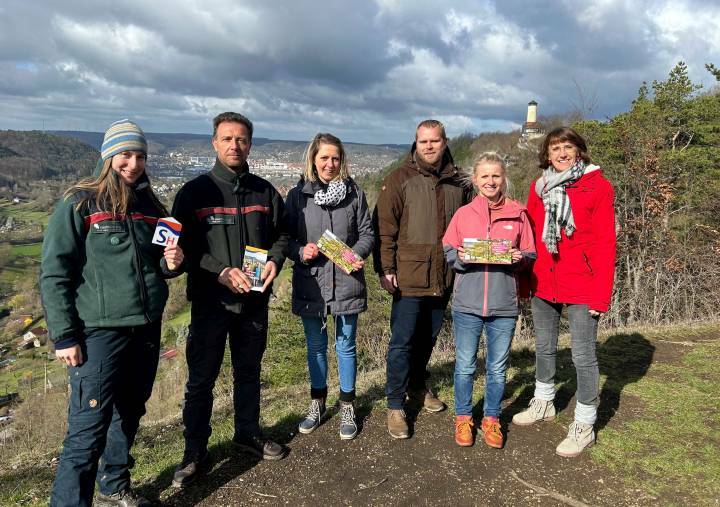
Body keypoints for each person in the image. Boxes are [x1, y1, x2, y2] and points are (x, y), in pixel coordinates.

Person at [41, 119, 184, 507]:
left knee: (129, 414)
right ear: (108, 156)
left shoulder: (151, 205)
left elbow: (161, 264)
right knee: (87, 431)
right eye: (125, 154)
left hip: (146, 327)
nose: (133, 163)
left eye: (140, 156)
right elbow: (55, 272)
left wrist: (173, 261)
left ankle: (114, 486)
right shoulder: (80, 201)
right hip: (99, 333)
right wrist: (65, 335)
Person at [170, 112, 289, 487]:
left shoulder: (265, 192)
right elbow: (182, 248)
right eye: (227, 139)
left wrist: (275, 259)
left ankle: (248, 432)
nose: (234, 145)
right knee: (201, 379)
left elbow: (283, 234)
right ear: (214, 143)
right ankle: (194, 451)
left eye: (241, 139)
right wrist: (219, 271)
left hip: (253, 303)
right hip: (210, 303)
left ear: (250, 144)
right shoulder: (193, 193)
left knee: (249, 372)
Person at [512, 126, 616, 457]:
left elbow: (605, 244)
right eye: (555, 148)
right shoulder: (539, 187)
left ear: (579, 151)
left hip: (583, 283)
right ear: (547, 154)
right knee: (544, 346)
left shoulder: (597, 186)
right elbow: (528, 235)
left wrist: (601, 294)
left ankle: (585, 423)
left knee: (583, 354)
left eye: (567, 147)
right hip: (544, 279)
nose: (561, 153)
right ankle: (544, 402)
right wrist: (526, 280)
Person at [373, 119, 471, 439]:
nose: (428, 146)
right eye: (423, 141)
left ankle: (416, 385)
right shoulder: (399, 179)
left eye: (434, 140)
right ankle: (394, 403)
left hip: (444, 273)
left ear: (444, 142)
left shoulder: (459, 183)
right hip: (408, 275)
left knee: (428, 336)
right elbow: (384, 230)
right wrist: (385, 269)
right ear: (415, 143)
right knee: (402, 341)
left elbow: (472, 224)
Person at [442, 153, 535, 448]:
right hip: (467, 304)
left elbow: (530, 253)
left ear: (504, 177)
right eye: (484, 176)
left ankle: (492, 419)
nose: (490, 181)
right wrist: (460, 260)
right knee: (466, 365)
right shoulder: (463, 214)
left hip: (503, 304)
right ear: (475, 180)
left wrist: (518, 260)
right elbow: (448, 249)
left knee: (497, 367)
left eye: (495, 176)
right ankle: (463, 418)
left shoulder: (518, 213)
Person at [285, 133, 374, 440]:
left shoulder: (355, 194)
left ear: (342, 161)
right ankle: (318, 402)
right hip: (312, 283)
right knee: (316, 347)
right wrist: (300, 251)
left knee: (346, 347)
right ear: (313, 159)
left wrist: (355, 254)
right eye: (324, 157)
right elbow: (285, 239)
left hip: (347, 280)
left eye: (335, 158)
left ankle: (347, 405)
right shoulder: (297, 196)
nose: (330, 164)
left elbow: (367, 234)